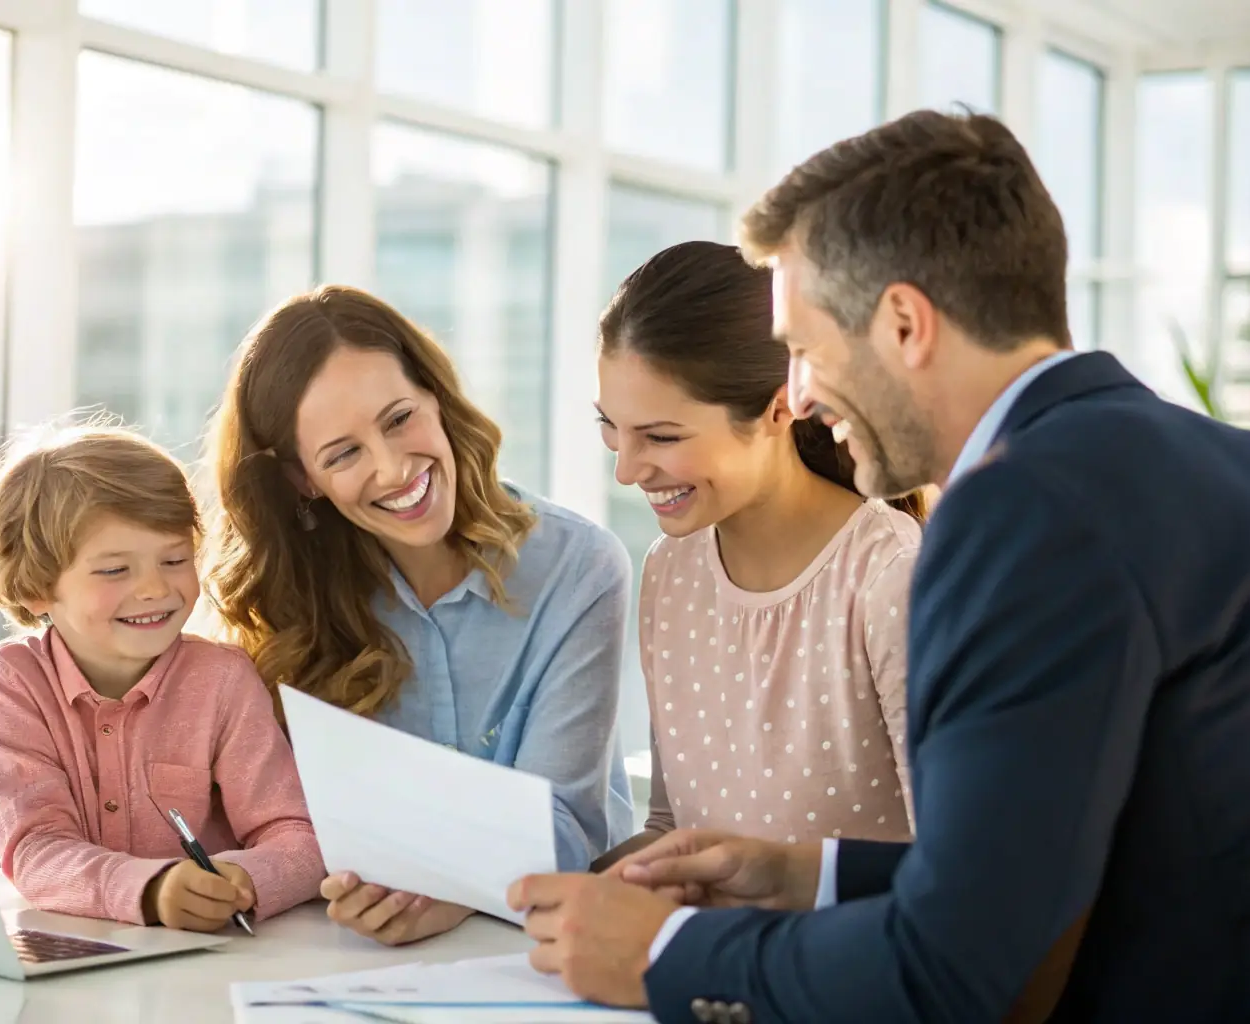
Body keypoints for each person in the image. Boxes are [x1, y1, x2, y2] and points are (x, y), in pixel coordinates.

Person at [508, 109, 1250, 1023]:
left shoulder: (1020, 509)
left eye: (808, 350)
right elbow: (1062, 866)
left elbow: (963, 972)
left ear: (902, 323)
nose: (802, 394)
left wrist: (664, 957)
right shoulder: (1204, 459)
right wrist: (803, 873)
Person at [205, 285, 634, 946]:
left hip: (536, 951)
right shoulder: (291, 598)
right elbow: (273, 817)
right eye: (342, 454)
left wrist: (450, 885)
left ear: (436, 396)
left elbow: (565, 832)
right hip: (336, 954)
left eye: (399, 417)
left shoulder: (579, 567)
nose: (392, 468)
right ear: (302, 481)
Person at [593, 240, 921, 867]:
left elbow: (954, 871)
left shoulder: (889, 579)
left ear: (779, 407)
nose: (627, 471)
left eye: (660, 436)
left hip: (838, 961)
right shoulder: (670, 568)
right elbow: (669, 827)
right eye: (610, 427)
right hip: (706, 956)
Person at [0, 426, 326, 931]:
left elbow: (300, 836)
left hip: (214, 960)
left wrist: (240, 880)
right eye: (115, 570)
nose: (155, 587)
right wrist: (151, 890)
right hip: (85, 959)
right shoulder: (7, 683)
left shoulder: (222, 678)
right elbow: (35, 850)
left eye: (175, 560)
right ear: (36, 587)